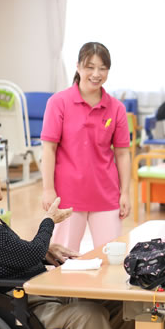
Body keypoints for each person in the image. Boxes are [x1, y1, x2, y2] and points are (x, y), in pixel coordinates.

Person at [0, 152, 136, 329]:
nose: (0, 179)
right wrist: (48, 222)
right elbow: (28, 255)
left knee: (122, 306)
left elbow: (12, 253)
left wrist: (46, 251)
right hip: (18, 304)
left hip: (36, 294)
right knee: (89, 316)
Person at [40, 42, 131, 252]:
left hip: (106, 195)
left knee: (111, 258)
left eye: (102, 68)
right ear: (78, 67)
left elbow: (123, 153)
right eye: (90, 67)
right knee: (61, 258)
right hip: (67, 195)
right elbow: (49, 149)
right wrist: (48, 189)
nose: (96, 74)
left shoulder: (116, 108)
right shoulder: (58, 102)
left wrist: (124, 192)